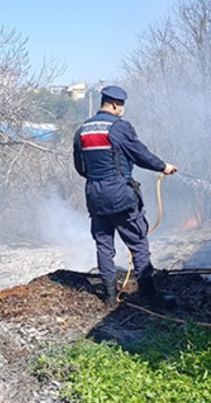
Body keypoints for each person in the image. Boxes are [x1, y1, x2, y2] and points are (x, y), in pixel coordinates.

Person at [73, 85, 178, 308]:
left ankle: (110, 298)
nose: (122, 110)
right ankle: (149, 295)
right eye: (121, 106)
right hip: (121, 195)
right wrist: (163, 166)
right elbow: (140, 154)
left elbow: (80, 167)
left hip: (95, 196)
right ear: (114, 104)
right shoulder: (120, 128)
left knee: (103, 245)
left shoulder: (82, 130)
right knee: (138, 242)